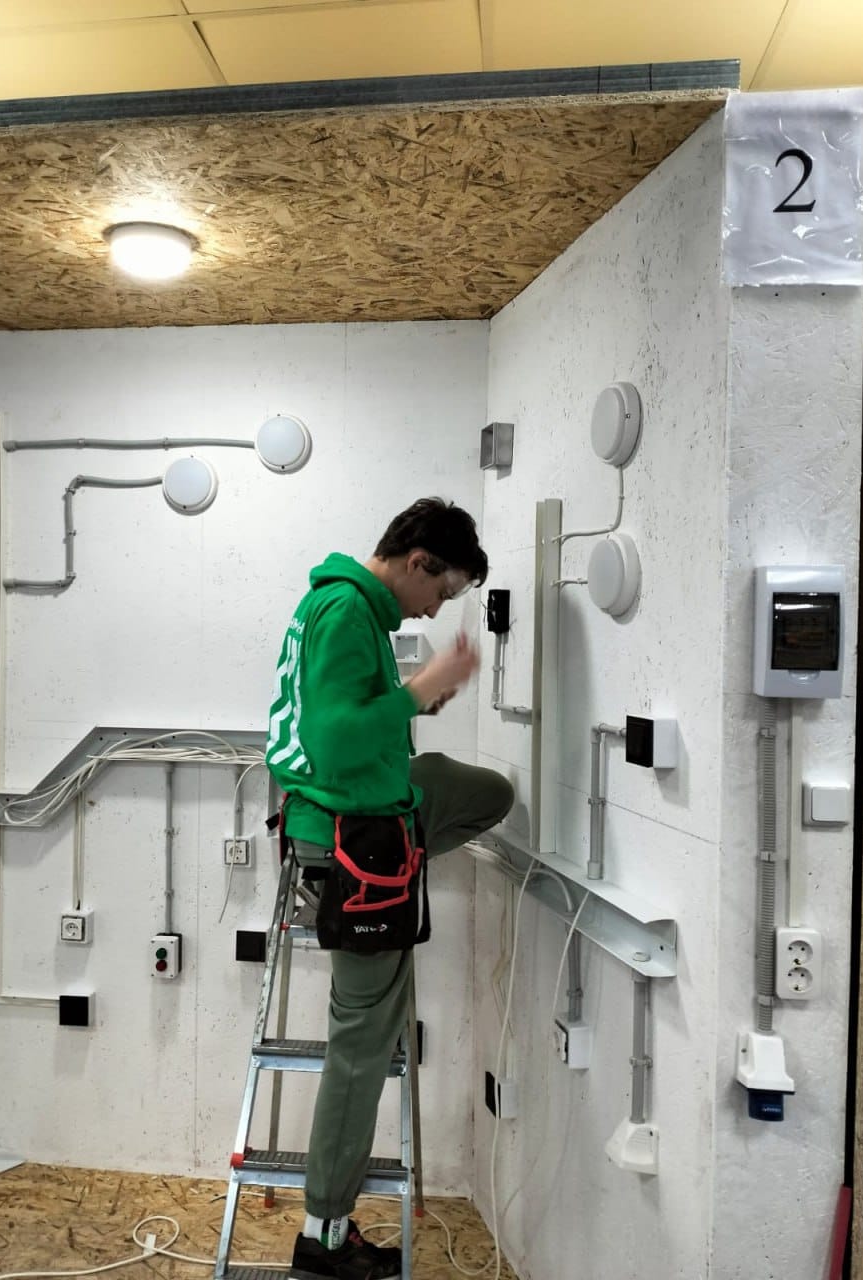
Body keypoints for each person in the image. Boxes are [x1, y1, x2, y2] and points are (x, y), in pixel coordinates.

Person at [266, 496, 514, 1280]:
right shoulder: (347, 612)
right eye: (441, 590)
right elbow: (334, 739)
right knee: (360, 1049)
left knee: (479, 789)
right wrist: (413, 692)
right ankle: (322, 1237)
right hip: (346, 841)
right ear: (417, 562)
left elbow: (344, 721)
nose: (436, 607)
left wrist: (414, 696)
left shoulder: (346, 608)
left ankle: (402, 847)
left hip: (358, 821)